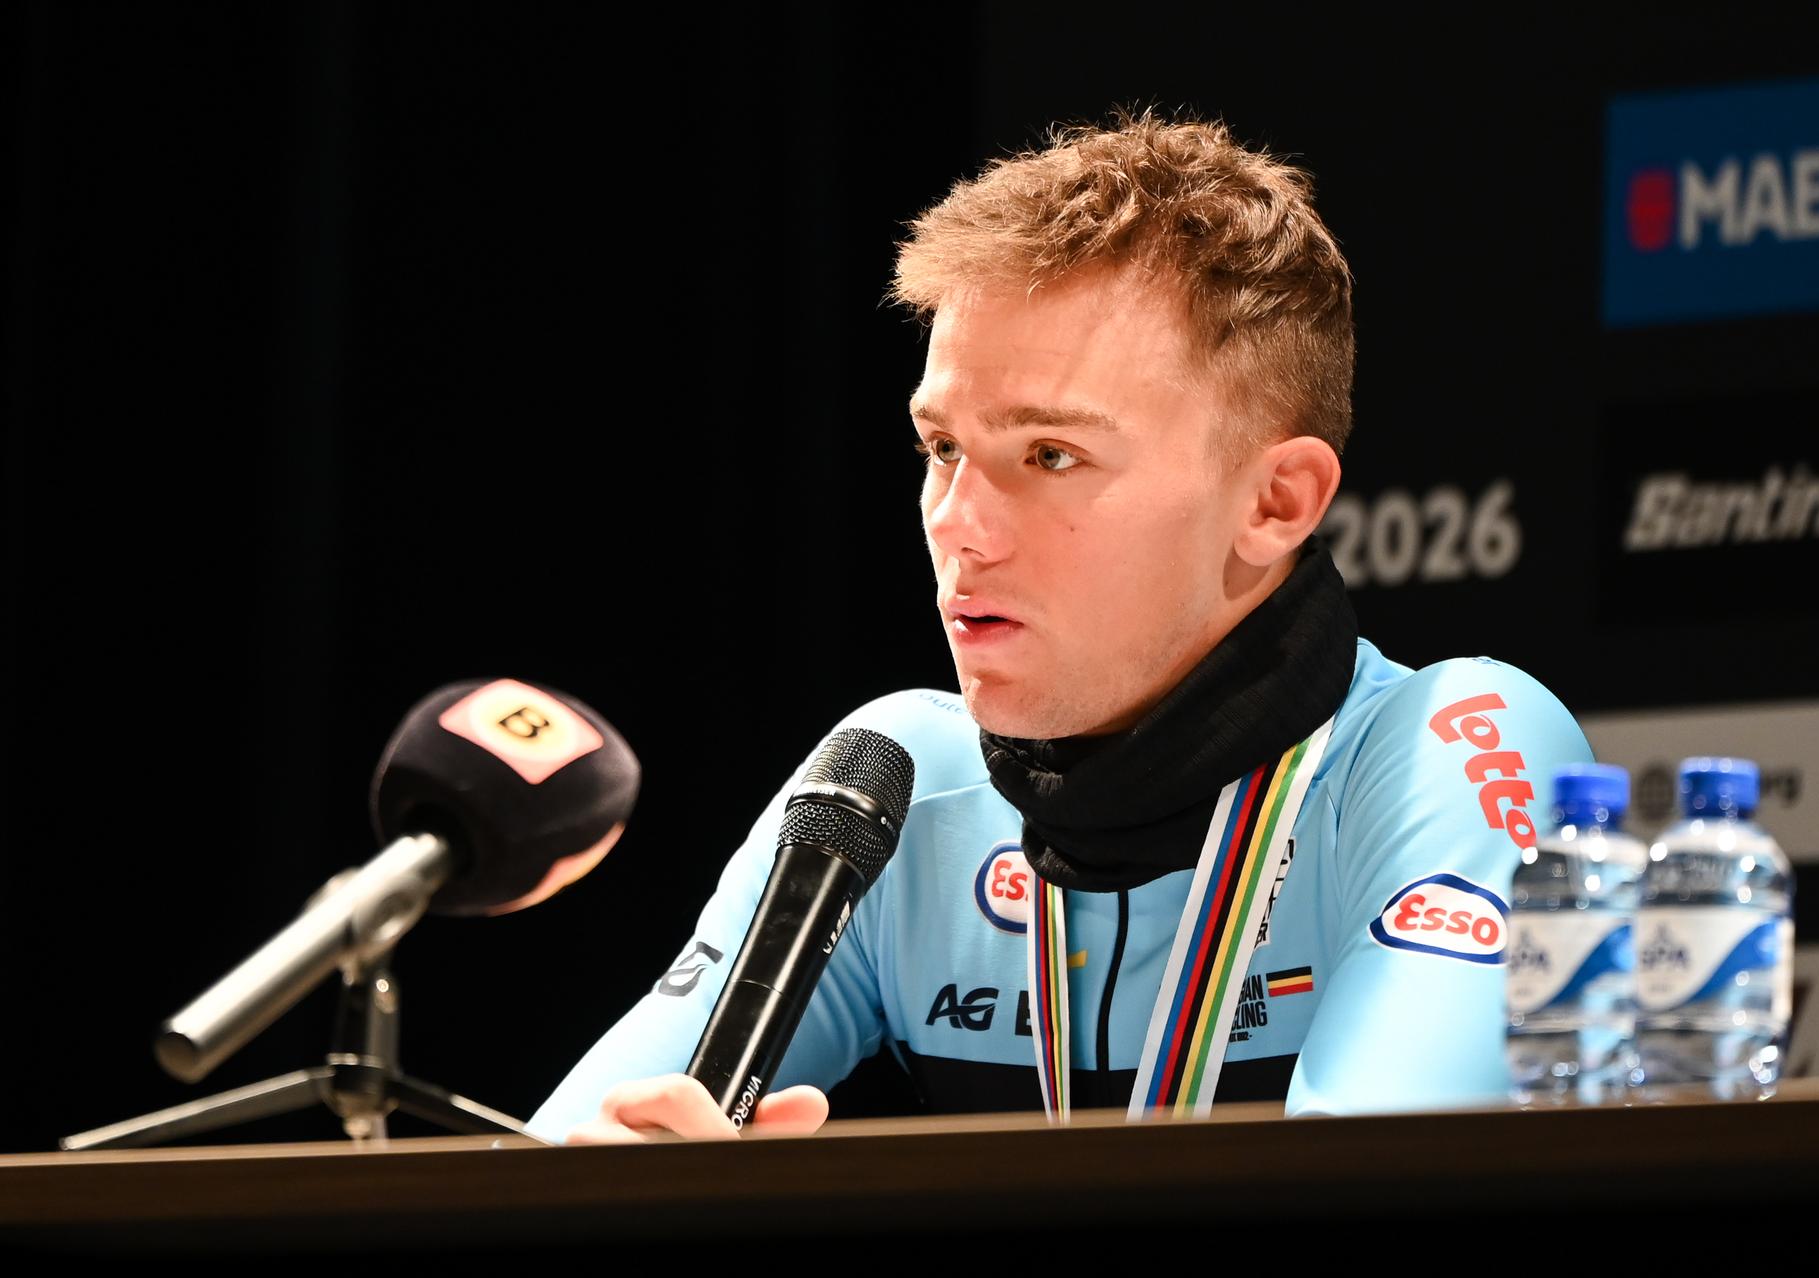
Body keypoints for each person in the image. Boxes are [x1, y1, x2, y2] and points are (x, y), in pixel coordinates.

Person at [529, 107, 1591, 1144]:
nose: (961, 530)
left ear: (1276, 504)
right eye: (942, 449)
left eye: (1049, 456)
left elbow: (1376, 1208)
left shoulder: (1445, 749)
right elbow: (532, 1183)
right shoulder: (896, 782)